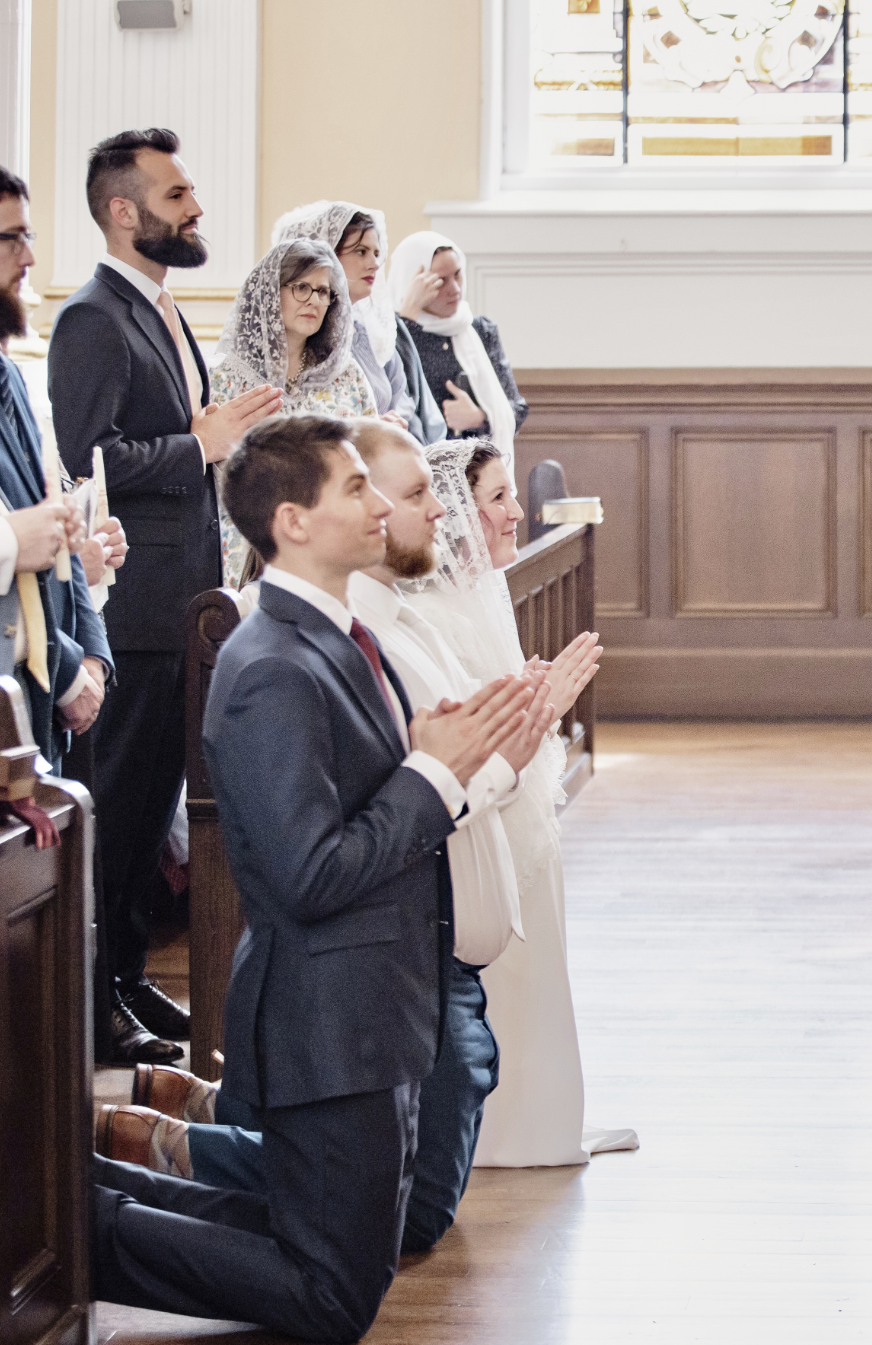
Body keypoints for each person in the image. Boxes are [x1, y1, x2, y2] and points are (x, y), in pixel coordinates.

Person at [88, 414, 538, 1343]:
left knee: (328, 1257)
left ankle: (92, 1194)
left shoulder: (333, 636)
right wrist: (433, 776)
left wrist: (441, 762)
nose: (383, 506)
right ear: (292, 520)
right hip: (329, 1020)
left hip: (375, 1008)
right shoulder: (269, 665)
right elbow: (307, 874)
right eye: (356, 490)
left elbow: (362, 806)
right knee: (333, 1296)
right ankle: (80, 1225)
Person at [47, 127, 282, 1064]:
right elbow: (83, 458)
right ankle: (93, 1002)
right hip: (134, 606)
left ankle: (130, 974)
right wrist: (202, 444)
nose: (194, 210)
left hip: (182, 601)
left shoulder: (162, 307)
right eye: (176, 195)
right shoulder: (93, 317)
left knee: (150, 819)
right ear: (123, 211)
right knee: (121, 809)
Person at [408, 439, 634, 1166]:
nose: (516, 513)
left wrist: (527, 694)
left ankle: (546, 1117)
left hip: (515, 799)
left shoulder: (483, 589)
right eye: (498, 498)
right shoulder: (433, 610)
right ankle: (506, 1128)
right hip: (481, 815)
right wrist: (530, 706)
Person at [0, 167, 112, 776]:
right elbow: (26, 538)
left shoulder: (13, 378)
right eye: (12, 238)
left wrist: (89, 657)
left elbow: (57, 531)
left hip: (34, 713)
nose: (30, 257)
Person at [212, 238, 378, 582]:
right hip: (245, 544)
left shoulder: (346, 374)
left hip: (333, 538)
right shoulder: (226, 378)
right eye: (302, 287)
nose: (315, 300)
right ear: (272, 292)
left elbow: (369, 462)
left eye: (323, 292)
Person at [271, 201, 446, 445]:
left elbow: (401, 398)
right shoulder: (303, 336)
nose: (374, 263)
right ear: (327, 253)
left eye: (376, 253)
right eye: (361, 251)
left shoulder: (370, 332)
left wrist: (393, 425)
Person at [389, 232, 527, 460]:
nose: (454, 289)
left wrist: (479, 417)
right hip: (422, 466)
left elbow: (518, 408)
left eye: (457, 275)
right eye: (440, 280)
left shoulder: (480, 330)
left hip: (481, 467)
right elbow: (394, 401)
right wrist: (408, 315)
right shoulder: (394, 333)